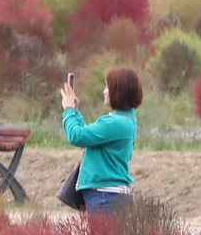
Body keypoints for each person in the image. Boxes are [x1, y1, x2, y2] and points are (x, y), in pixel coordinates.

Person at [60, 65, 143, 220]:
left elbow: (77, 136)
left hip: (105, 196)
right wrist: (75, 111)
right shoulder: (126, 119)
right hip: (108, 195)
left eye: (107, 87)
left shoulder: (115, 123)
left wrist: (69, 111)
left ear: (118, 91)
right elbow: (87, 135)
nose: (104, 91)